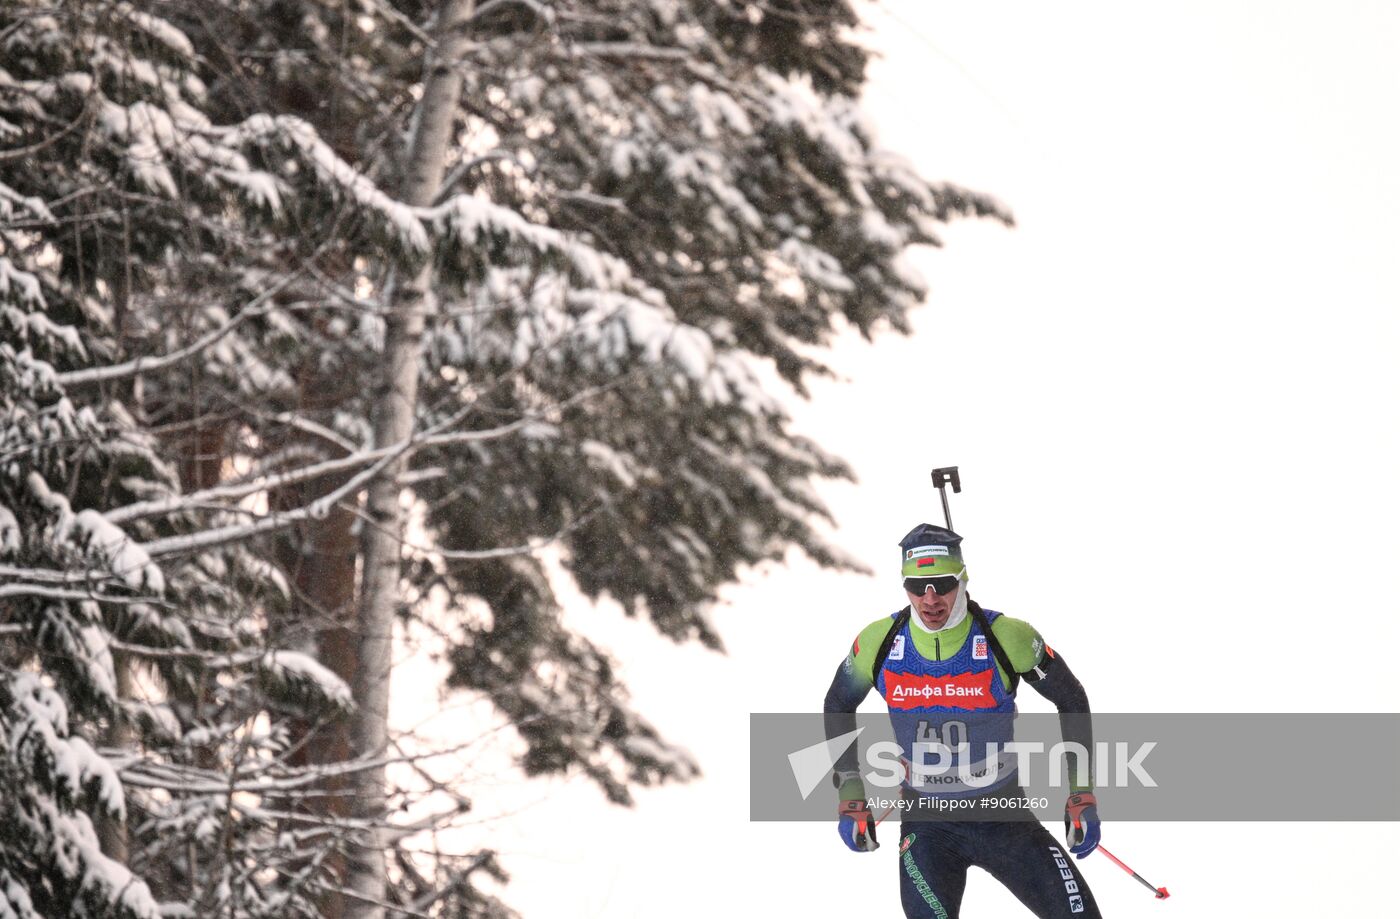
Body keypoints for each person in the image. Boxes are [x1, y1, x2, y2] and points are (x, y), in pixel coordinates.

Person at [822, 523, 1104, 918]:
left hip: (1007, 818)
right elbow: (837, 705)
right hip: (928, 829)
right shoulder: (879, 642)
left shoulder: (1007, 637)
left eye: (942, 583)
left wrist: (1081, 794)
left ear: (962, 579)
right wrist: (850, 797)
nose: (930, 598)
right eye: (917, 586)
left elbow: (1071, 700)